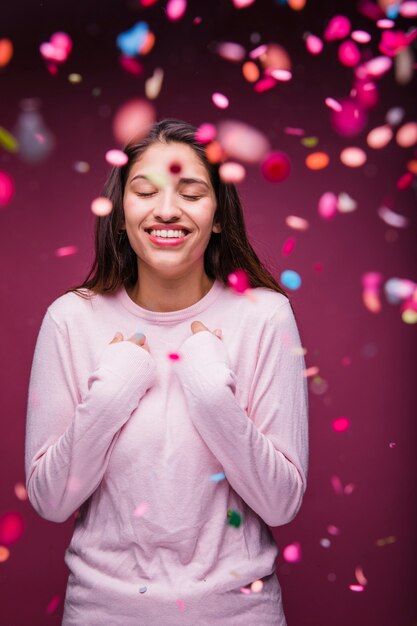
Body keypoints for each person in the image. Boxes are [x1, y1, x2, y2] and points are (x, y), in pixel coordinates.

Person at [25, 118, 309, 625]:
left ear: (219, 214)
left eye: (191, 192)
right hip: (101, 614)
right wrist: (114, 389)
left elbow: (282, 503)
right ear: (120, 214)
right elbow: (49, 500)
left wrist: (208, 388)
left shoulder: (265, 316)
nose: (166, 210)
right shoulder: (70, 319)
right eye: (144, 191)